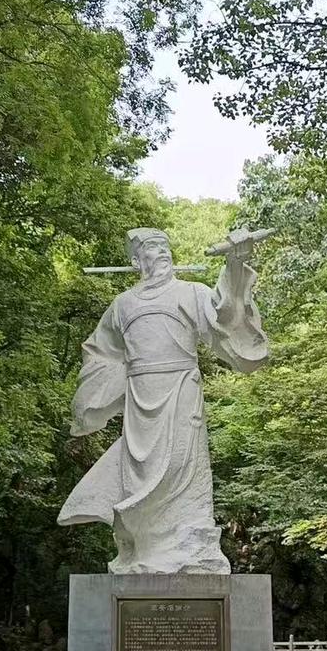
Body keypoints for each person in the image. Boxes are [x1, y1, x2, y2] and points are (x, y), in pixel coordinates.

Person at [58, 227, 269, 574]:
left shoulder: (191, 292)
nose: (162, 253)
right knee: (138, 475)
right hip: (139, 400)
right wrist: (104, 392)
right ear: (135, 260)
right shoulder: (122, 305)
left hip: (181, 392)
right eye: (152, 248)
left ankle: (190, 547)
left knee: (183, 467)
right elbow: (98, 354)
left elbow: (224, 312)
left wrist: (235, 261)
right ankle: (142, 550)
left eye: (164, 247)